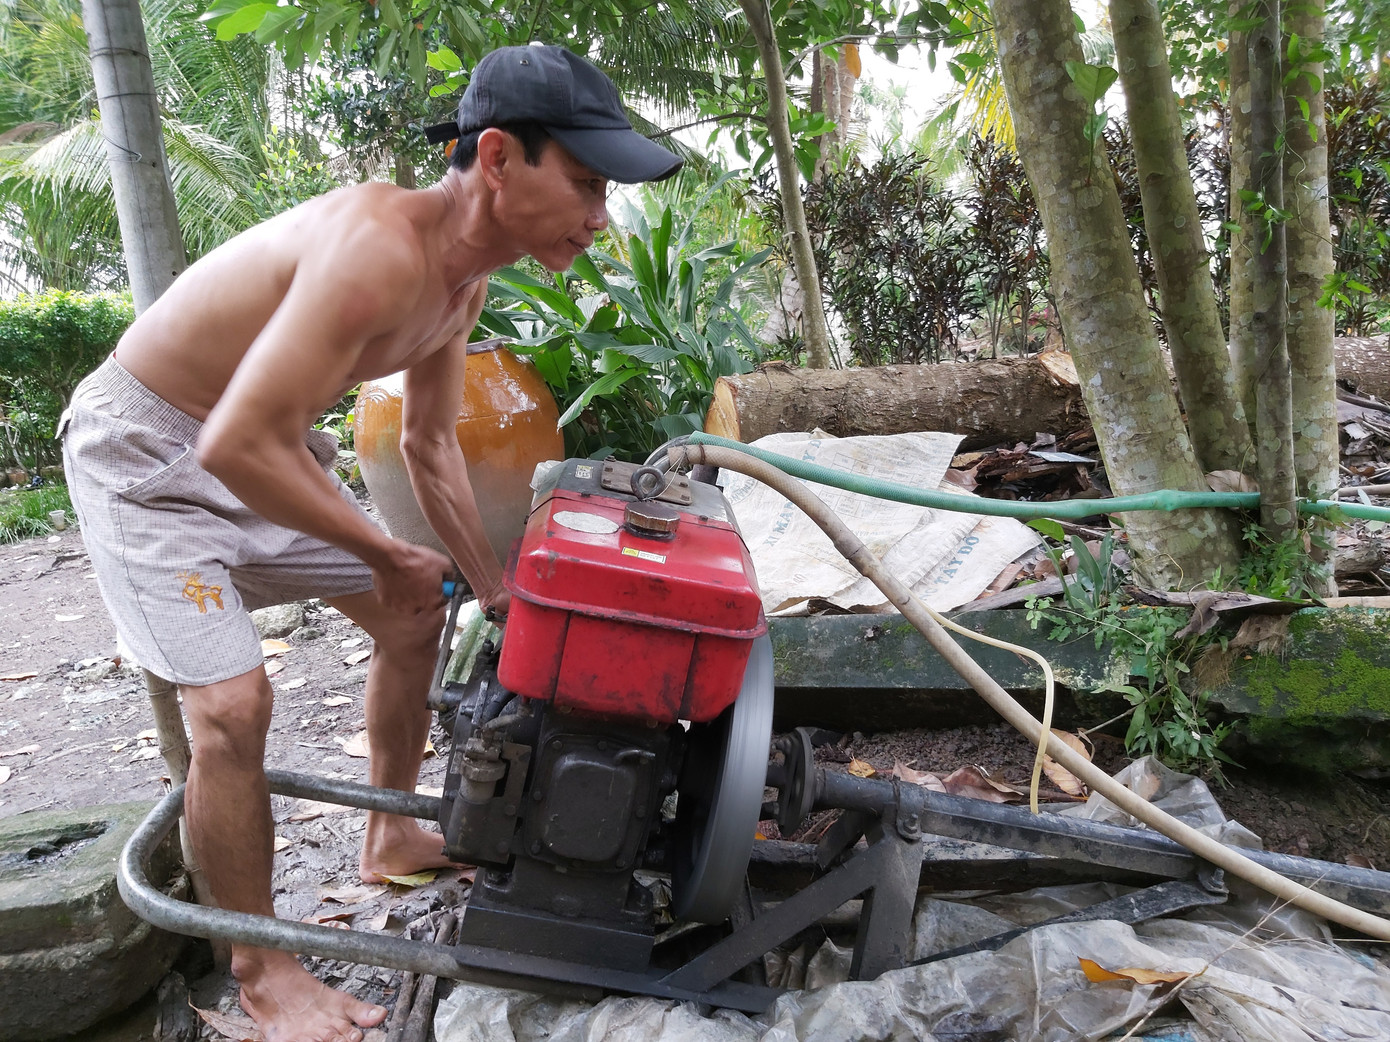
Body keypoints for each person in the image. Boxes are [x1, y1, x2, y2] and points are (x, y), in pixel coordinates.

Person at [61, 43, 681, 1042]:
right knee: (231, 703)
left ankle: (387, 830)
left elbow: (432, 445)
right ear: (495, 157)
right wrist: (388, 549)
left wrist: (488, 584)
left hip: (261, 445)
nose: (598, 215)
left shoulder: (463, 282)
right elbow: (230, 440)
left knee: (412, 607)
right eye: (582, 182)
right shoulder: (378, 250)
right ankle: (259, 969)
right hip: (146, 453)